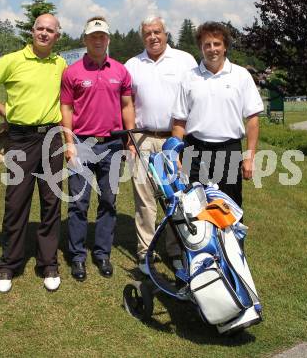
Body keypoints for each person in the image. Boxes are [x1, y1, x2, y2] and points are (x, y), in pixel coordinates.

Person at [0, 13, 67, 293]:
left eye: (50, 30)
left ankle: (48, 263)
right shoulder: (13, 60)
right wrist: (6, 112)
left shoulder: (60, 64)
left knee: (51, 202)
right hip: (21, 139)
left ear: (57, 36)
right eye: (40, 28)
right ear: (32, 31)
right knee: (16, 202)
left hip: (52, 138)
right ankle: (9, 264)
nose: (45, 33)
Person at [60, 16, 135, 282]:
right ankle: (77, 256)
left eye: (102, 35)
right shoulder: (72, 72)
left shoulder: (121, 70)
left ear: (108, 39)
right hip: (82, 142)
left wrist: (130, 141)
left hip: (113, 144)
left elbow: (127, 106)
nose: (98, 39)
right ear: (85, 40)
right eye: (93, 36)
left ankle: (102, 253)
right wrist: (69, 143)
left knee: (108, 200)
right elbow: (66, 109)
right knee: (79, 202)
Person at [125, 16, 198, 274]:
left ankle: (176, 250)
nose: (153, 37)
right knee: (145, 198)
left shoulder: (185, 60)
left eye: (157, 32)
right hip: (142, 138)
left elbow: (193, 98)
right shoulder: (133, 64)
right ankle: (146, 251)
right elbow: (128, 103)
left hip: (174, 139)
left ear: (166, 33)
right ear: (142, 36)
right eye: (147, 33)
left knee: (176, 196)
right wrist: (130, 139)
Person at [172, 21, 264, 208]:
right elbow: (179, 121)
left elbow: (252, 120)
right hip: (194, 151)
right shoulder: (188, 78)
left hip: (228, 151)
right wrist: (175, 157)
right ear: (200, 48)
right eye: (207, 44)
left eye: (217, 44)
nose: (212, 49)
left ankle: (233, 239)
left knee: (229, 209)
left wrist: (249, 157)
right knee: (194, 208)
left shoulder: (241, 75)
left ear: (225, 47)